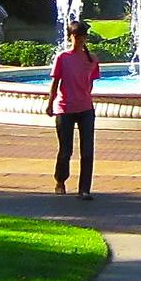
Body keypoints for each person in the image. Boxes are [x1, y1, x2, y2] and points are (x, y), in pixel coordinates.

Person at [43, 20, 99, 199]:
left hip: (85, 108)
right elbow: (55, 82)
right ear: (71, 37)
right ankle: (60, 180)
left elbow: (90, 82)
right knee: (66, 149)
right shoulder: (62, 57)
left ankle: (84, 189)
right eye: (76, 37)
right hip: (65, 108)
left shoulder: (92, 59)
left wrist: (85, 95)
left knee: (87, 150)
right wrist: (50, 103)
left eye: (82, 38)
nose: (79, 41)